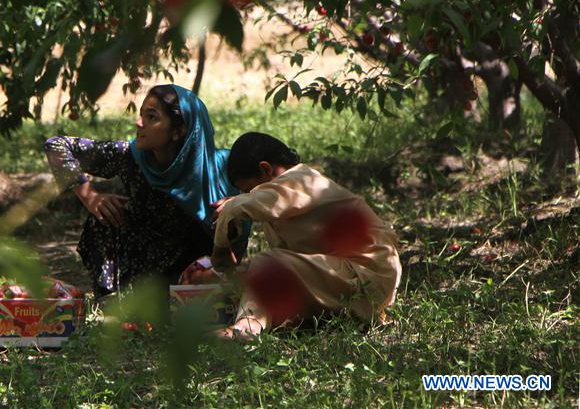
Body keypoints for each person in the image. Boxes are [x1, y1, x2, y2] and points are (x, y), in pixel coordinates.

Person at [182, 132, 401, 337]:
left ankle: (246, 328)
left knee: (268, 262)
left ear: (266, 170)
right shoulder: (281, 205)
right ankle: (251, 323)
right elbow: (284, 274)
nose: (247, 196)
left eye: (248, 190)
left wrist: (221, 249)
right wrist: (221, 278)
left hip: (368, 279)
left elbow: (242, 209)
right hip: (351, 280)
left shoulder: (300, 181)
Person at [43, 84, 241, 299]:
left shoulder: (220, 167)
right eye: (141, 115)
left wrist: (238, 203)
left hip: (194, 266)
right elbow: (56, 145)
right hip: (144, 261)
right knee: (104, 216)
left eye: (151, 117)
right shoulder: (131, 156)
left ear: (178, 130)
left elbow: (264, 183)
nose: (139, 123)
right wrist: (89, 196)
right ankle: (110, 297)